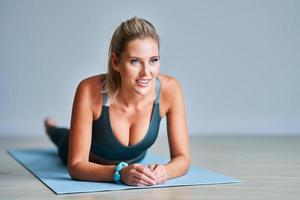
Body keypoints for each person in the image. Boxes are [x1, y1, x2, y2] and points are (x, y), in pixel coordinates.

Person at [44, 16, 190, 187]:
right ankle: (50, 127)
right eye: (135, 61)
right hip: (90, 161)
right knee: (61, 136)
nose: (146, 72)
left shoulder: (170, 89)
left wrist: (165, 171)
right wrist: (119, 173)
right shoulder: (89, 90)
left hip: (134, 161)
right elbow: (76, 166)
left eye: (153, 60)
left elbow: (183, 158)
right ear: (115, 61)